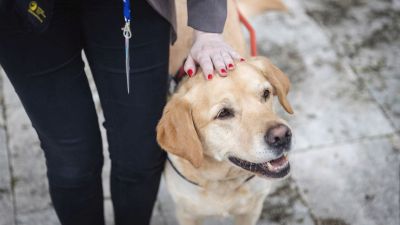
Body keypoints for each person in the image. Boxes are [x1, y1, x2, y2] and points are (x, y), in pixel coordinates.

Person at [0, 0, 242, 224]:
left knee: (139, 153)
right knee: (72, 161)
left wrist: (208, 30)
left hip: (127, 7)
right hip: (21, 11)